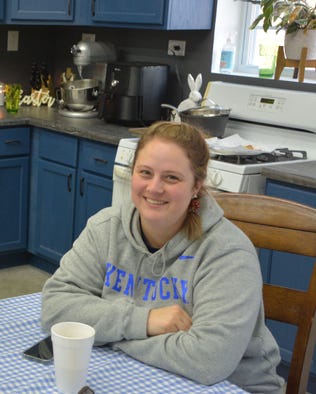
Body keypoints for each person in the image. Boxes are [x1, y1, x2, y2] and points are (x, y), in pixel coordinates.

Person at [40, 121, 284, 393]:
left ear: (196, 186)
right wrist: (145, 321)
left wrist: (106, 334)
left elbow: (208, 360)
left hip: (233, 386)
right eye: (145, 172)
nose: (154, 188)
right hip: (141, 375)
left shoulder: (227, 252)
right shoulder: (105, 228)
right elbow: (55, 308)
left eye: (171, 178)